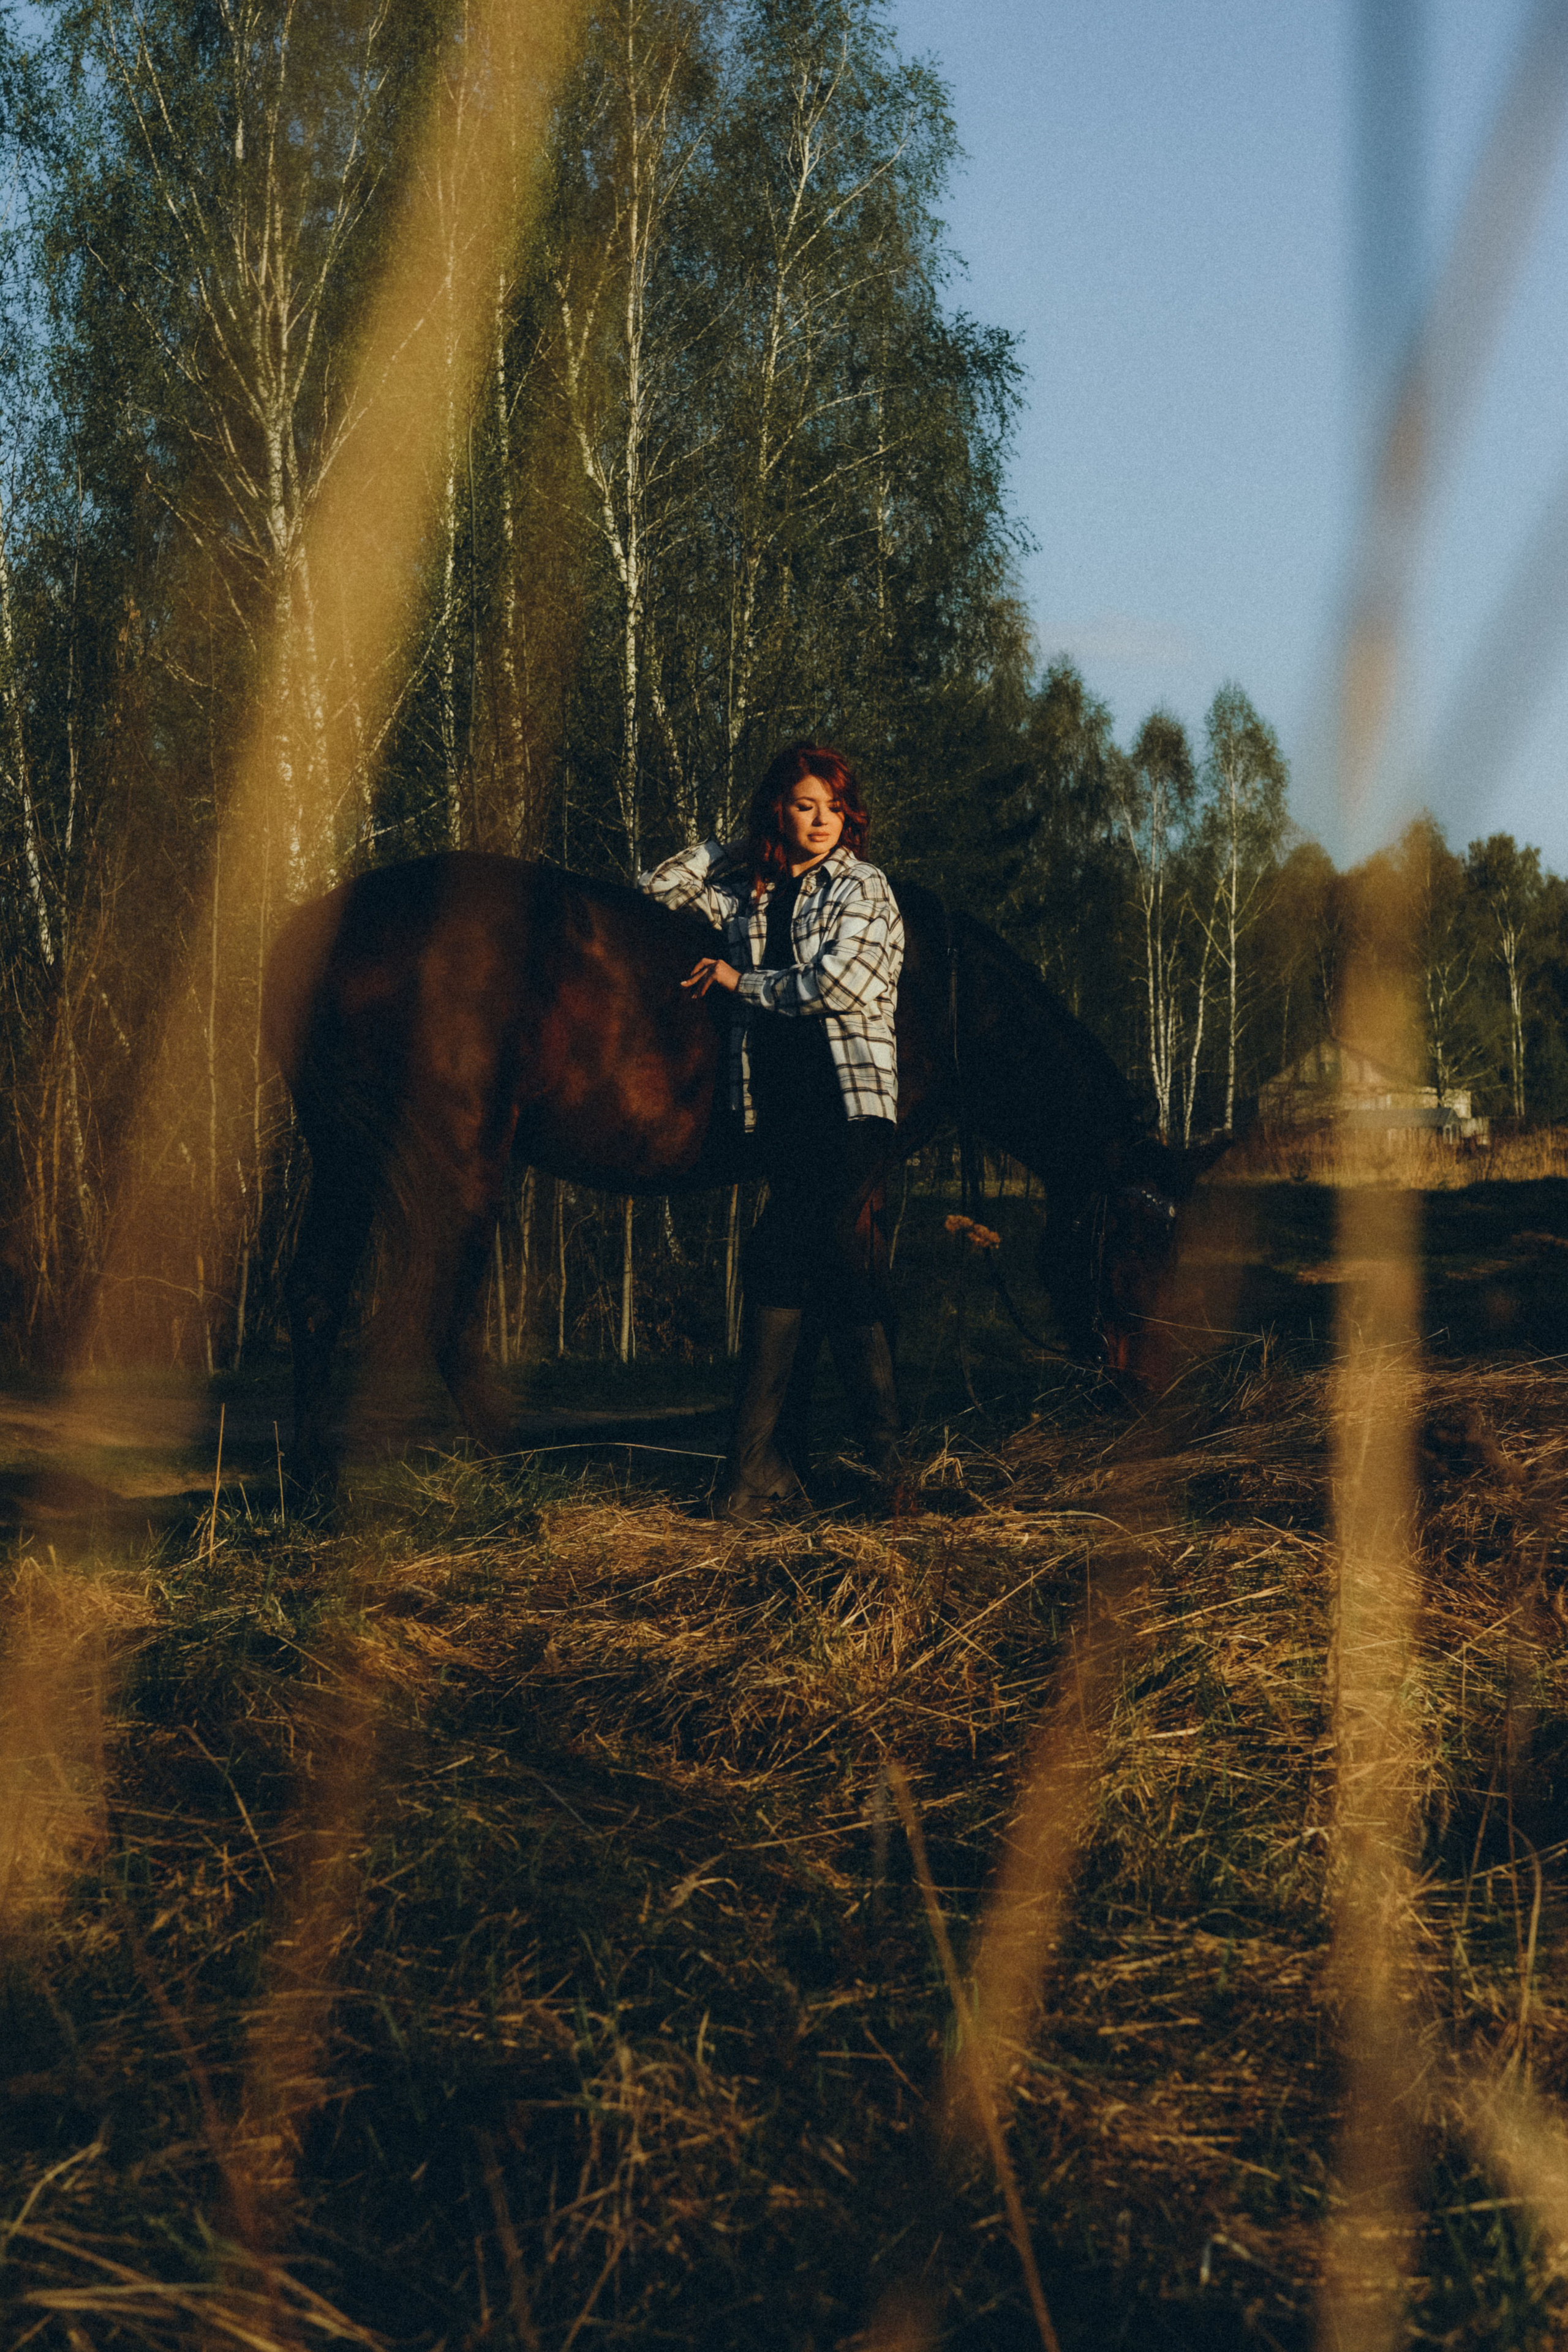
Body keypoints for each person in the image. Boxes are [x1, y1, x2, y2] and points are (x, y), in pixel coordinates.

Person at [642, 744, 905, 1518]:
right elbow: (657, 887)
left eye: (834, 808)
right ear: (777, 812)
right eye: (803, 806)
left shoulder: (864, 886)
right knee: (821, 1264)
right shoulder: (748, 894)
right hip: (780, 1108)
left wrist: (741, 982)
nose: (822, 821)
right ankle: (856, 1472)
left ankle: (775, 1472)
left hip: (850, 1103)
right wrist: (741, 848)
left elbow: (842, 982)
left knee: (793, 1252)